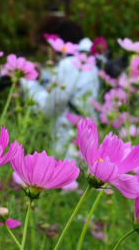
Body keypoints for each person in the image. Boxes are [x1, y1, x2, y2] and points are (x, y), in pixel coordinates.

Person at [20, 17, 101, 160]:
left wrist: (27, 81)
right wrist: (43, 76)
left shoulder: (69, 64)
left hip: (67, 142)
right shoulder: (87, 62)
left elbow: (47, 108)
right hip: (84, 139)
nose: (48, 53)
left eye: (46, 48)